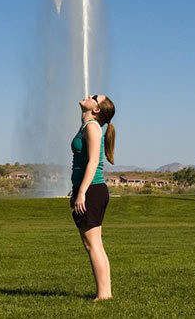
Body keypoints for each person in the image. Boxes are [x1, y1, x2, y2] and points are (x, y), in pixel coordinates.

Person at [70, 93, 116, 301]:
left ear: (96, 109)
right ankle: (104, 292)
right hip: (91, 190)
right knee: (94, 243)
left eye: (94, 97)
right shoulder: (88, 126)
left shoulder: (92, 127)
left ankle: (104, 294)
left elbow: (93, 163)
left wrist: (81, 193)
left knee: (93, 244)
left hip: (92, 191)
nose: (88, 95)